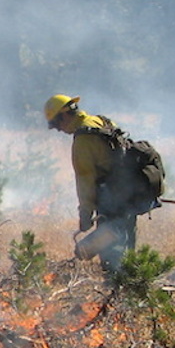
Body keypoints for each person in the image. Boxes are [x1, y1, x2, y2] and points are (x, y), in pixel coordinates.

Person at [43, 94, 137, 274]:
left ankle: (115, 291)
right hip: (129, 193)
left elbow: (85, 178)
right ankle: (132, 291)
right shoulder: (99, 121)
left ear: (64, 115)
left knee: (112, 257)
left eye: (57, 124)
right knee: (128, 249)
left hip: (111, 200)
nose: (59, 130)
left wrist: (85, 213)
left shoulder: (83, 138)